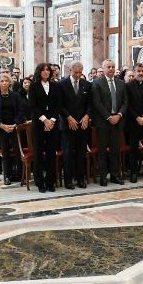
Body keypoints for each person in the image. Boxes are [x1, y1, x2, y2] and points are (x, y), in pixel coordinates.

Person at [91, 59, 128, 186]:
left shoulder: (121, 83)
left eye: (113, 67)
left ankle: (115, 175)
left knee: (115, 151)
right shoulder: (96, 83)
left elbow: (125, 102)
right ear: (103, 68)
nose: (111, 69)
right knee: (102, 151)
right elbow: (96, 103)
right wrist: (108, 117)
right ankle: (102, 176)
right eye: (108, 67)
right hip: (103, 122)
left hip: (118, 121)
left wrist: (119, 115)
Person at [0, 73, 26, 186]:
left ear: (9, 83)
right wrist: (1, 125)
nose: (4, 83)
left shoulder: (15, 96)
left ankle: (19, 174)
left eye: (6, 81)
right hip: (1, 128)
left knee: (18, 151)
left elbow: (21, 111)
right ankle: (7, 176)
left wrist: (15, 123)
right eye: (2, 81)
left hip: (14, 127)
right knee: (6, 152)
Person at [28, 63, 62, 192]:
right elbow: (33, 105)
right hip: (39, 121)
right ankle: (40, 182)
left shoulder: (56, 86)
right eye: (44, 70)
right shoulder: (33, 86)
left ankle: (50, 181)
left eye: (48, 70)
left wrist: (52, 120)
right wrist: (45, 120)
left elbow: (59, 104)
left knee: (51, 153)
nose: (46, 72)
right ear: (39, 72)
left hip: (52, 122)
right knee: (38, 152)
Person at [57, 61, 91, 189]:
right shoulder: (61, 85)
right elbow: (59, 105)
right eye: (75, 72)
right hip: (67, 125)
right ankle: (68, 180)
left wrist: (87, 116)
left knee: (81, 153)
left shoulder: (86, 85)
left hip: (82, 124)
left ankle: (81, 179)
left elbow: (89, 104)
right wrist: (68, 117)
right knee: (68, 153)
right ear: (70, 70)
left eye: (80, 72)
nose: (77, 75)